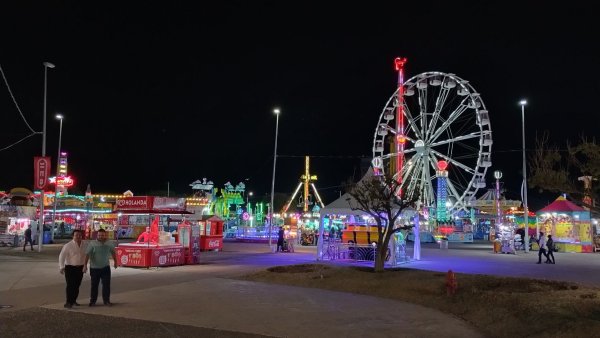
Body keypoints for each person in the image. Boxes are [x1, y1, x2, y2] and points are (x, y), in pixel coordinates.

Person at [84, 229, 117, 306]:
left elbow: (113, 252)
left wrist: (116, 262)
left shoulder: (109, 243)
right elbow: (87, 254)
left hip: (105, 268)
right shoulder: (92, 243)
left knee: (106, 285)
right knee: (94, 285)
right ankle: (93, 301)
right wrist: (85, 265)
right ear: (97, 235)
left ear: (105, 235)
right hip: (94, 268)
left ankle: (106, 300)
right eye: (99, 235)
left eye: (102, 235)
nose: (100, 237)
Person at [58, 230, 86, 308]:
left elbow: (87, 255)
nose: (78, 237)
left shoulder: (85, 244)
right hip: (70, 268)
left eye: (80, 235)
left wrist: (85, 266)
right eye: (76, 235)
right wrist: (61, 267)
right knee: (70, 285)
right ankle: (68, 302)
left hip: (80, 268)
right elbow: (62, 256)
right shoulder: (68, 245)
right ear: (73, 236)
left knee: (77, 285)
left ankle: (74, 301)